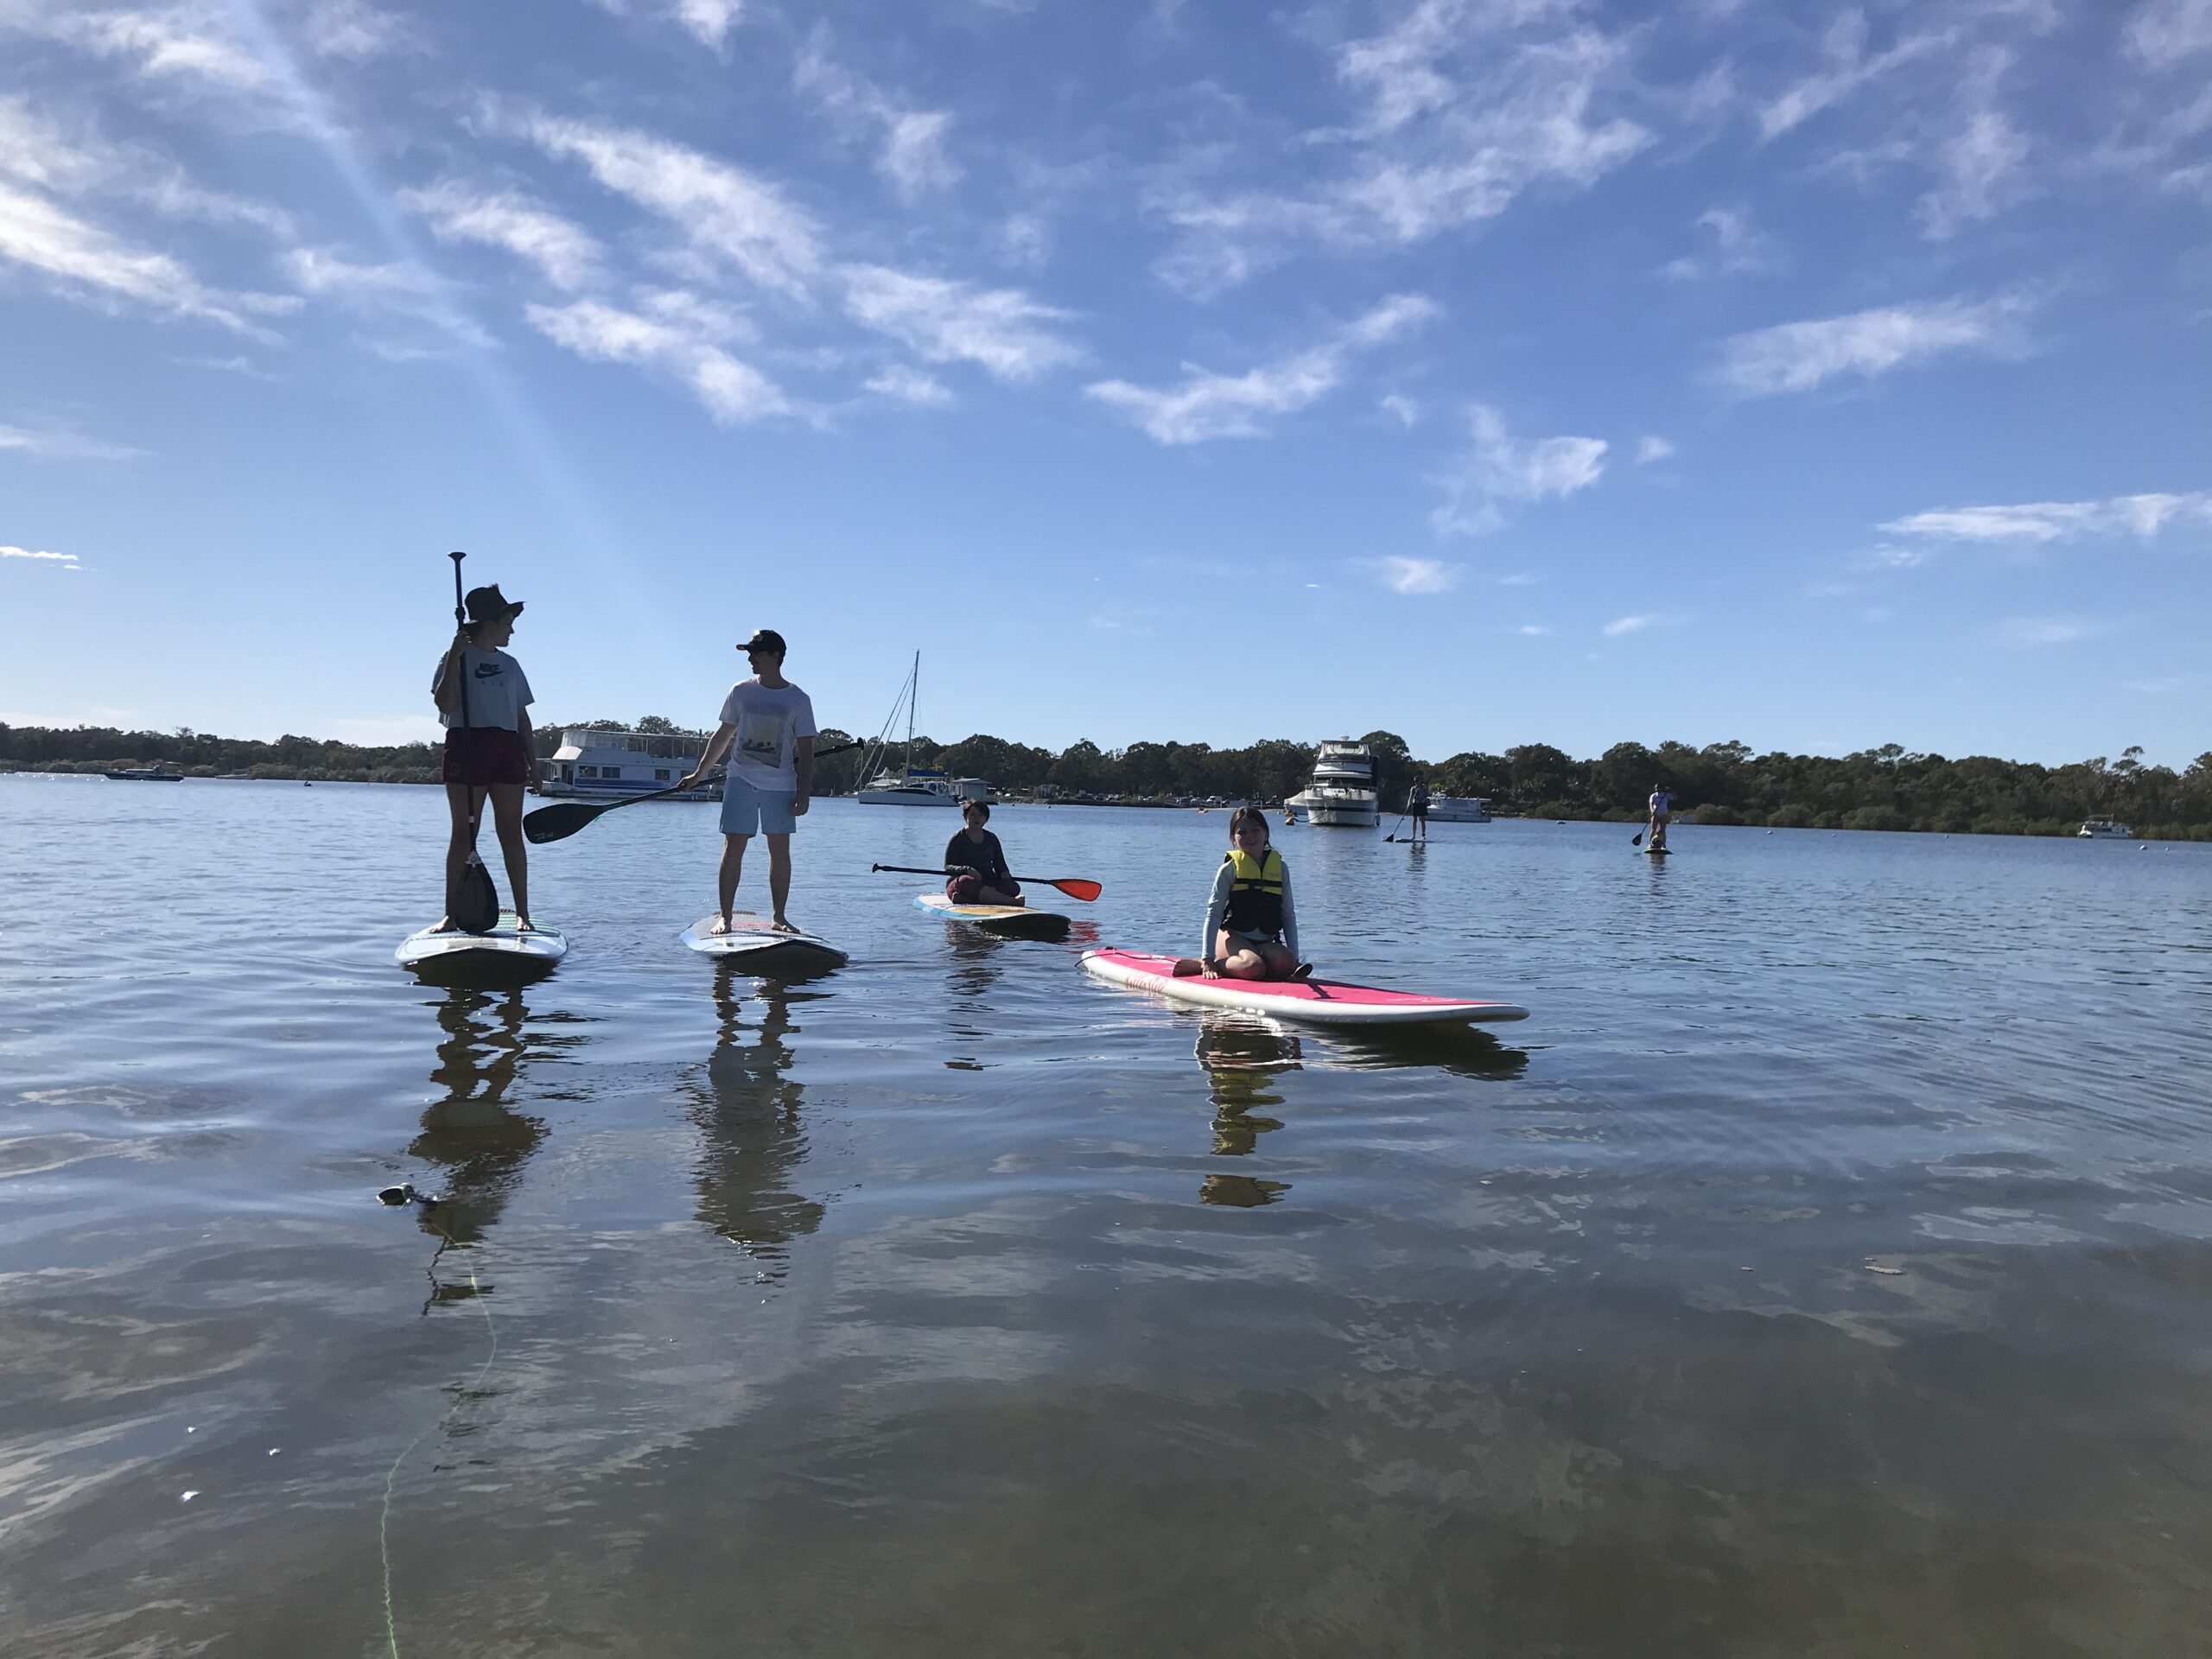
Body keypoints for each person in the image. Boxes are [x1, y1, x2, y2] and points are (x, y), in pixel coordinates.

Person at [678, 629, 817, 934]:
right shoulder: (740, 691)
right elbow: (722, 736)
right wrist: (699, 774)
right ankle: (725, 918)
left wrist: (804, 794)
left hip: (780, 785)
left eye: (757, 653)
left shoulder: (798, 699)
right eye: (749, 654)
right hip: (740, 779)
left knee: (780, 850)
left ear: (776, 656)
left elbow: (807, 752)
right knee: (733, 846)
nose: (751, 659)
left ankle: (779, 917)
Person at [431, 582, 537, 930]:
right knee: (463, 834)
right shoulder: (452, 660)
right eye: (508, 621)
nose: (512, 629)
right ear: (490, 622)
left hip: (506, 749)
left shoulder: (512, 664)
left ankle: (523, 913)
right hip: (466, 743)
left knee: (510, 832)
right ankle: (451, 915)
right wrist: (456, 654)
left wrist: (533, 766)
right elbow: (444, 704)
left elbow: (522, 720)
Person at [1185, 804, 1303, 981]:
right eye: (1242, 832)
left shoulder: (1280, 868)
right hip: (1232, 938)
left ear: (1266, 834)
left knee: (1286, 962)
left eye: (1255, 830)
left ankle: (1257, 963)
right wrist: (1207, 958)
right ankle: (1211, 964)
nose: (1250, 836)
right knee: (1253, 967)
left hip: (1264, 941)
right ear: (1233, 838)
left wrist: (1295, 959)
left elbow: (1288, 915)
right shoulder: (1228, 870)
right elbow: (1214, 914)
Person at [945, 798, 1022, 906]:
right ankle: (1011, 901)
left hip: (988, 881)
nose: (977, 818)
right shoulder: (957, 838)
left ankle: (972, 899)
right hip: (964, 882)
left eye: (981, 815)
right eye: (972, 814)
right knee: (966, 881)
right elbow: (948, 867)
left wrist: (1004, 873)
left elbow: (1000, 865)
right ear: (965, 817)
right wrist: (966, 870)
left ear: (986, 819)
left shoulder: (991, 838)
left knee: (1013, 887)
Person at [1647, 781, 1673, 849]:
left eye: (1658, 788)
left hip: (1663, 814)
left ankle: (1663, 844)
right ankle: (1650, 844)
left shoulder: (1666, 795)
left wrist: (1670, 791)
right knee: (1653, 829)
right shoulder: (1653, 796)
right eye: (1656, 788)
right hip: (1656, 814)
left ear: (1662, 788)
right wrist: (1652, 811)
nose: (1657, 789)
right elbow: (1651, 804)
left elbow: (1675, 797)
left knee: (1663, 829)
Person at [1407, 772, 1431, 841]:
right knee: (1415, 820)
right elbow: (1410, 797)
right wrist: (1408, 804)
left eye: (1417, 781)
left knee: (1422, 820)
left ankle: (1423, 835)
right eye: (1415, 781)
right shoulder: (1413, 788)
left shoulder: (1424, 787)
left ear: (1420, 781)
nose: (1416, 783)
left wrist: (1422, 790)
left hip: (1422, 804)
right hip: (1416, 804)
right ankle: (1413, 836)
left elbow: (1426, 794)